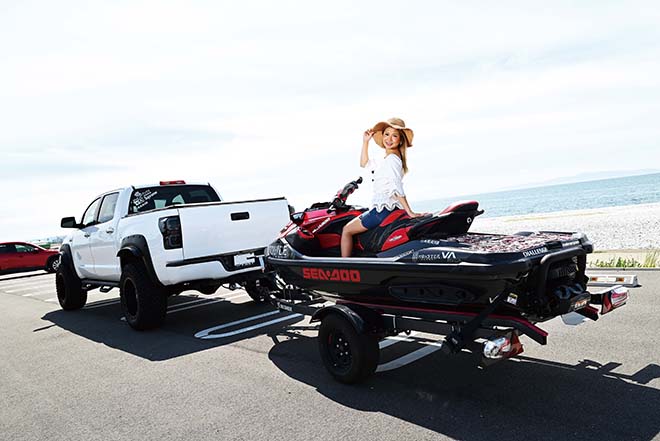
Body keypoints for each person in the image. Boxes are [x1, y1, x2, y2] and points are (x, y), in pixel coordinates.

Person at [341, 117, 425, 257]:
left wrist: (410, 212)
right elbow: (364, 163)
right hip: (386, 209)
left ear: (400, 139)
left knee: (346, 230)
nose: (389, 139)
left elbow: (396, 187)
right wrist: (365, 142)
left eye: (394, 135)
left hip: (381, 211)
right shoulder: (386, 159)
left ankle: (345, 266)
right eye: (387, 134)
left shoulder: (391, 160)